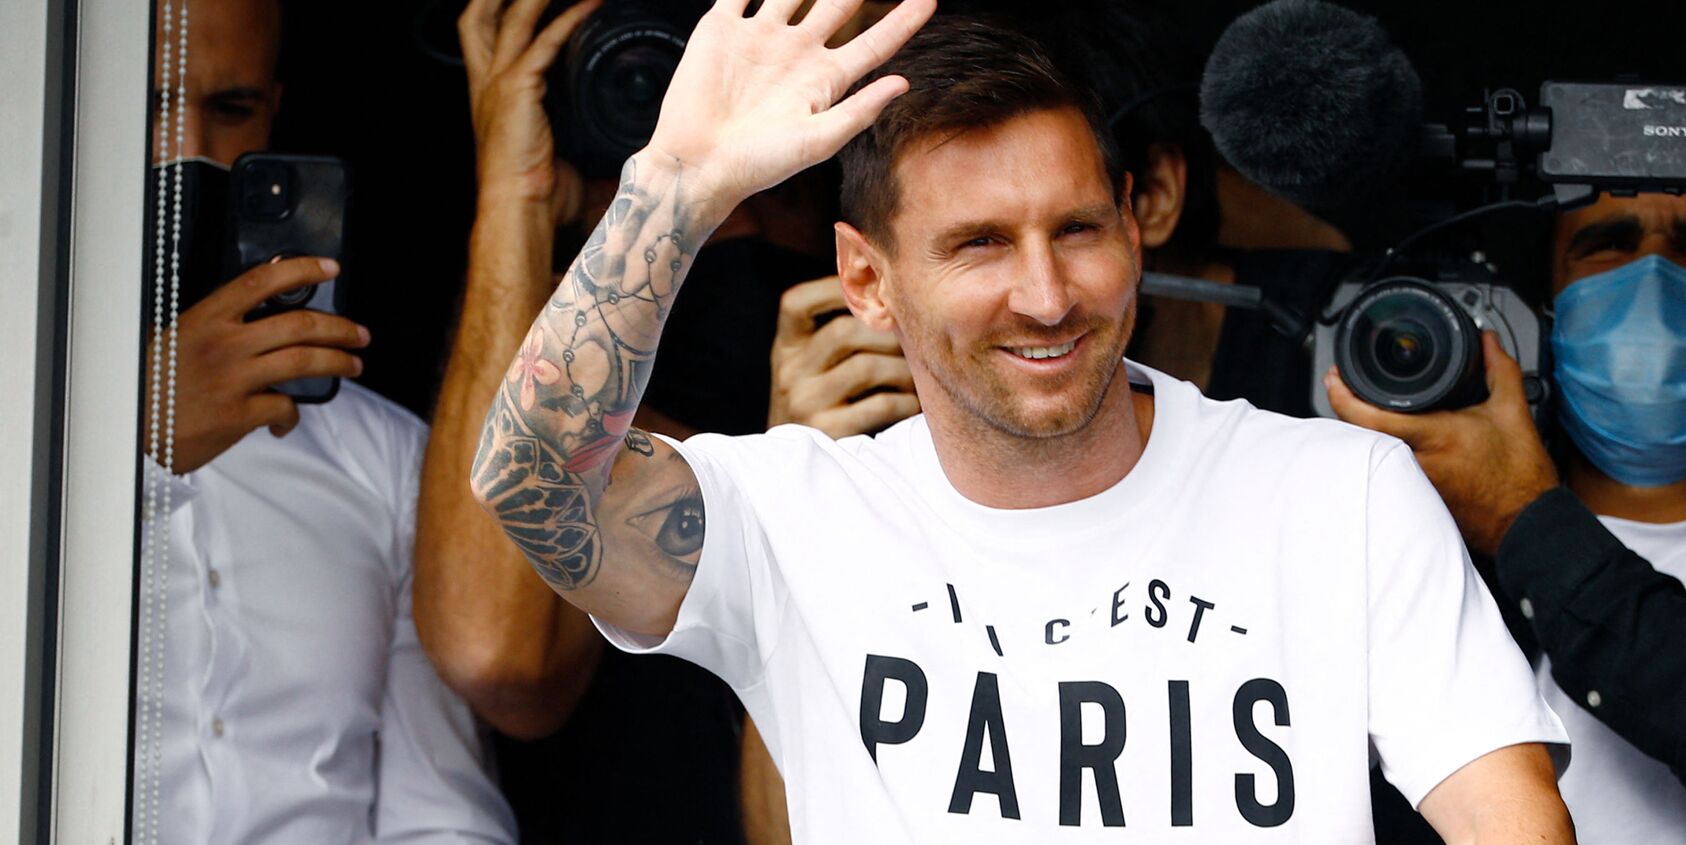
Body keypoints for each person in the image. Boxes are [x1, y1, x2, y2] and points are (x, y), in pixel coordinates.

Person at [469, 3, 1574, 841]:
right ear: (866, 278)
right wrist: (675, 184)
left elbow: (1508, 814)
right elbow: (527, 478)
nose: (1048, 295)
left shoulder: (1343, 494)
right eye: (980, 243)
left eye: (1079, 229)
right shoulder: (794, 513)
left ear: (1139, 227)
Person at [414, 0, 844, 840]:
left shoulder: (881, 296)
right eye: (634, 89)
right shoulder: (529, 301)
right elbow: (495, 652)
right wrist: (519, 200)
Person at [1328, 148, 1686, 844]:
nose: (1652, 278)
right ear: (1546, 317)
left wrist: (1527, 520)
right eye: (1608, 244)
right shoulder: (1417, 529)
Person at [141, 0, 514, 840]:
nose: (186, 149)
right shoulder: (29, 434)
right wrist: (138, 446)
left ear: (272, 112)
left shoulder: (381, 457)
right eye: (148, 104)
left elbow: (439, 809)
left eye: (229, 108)